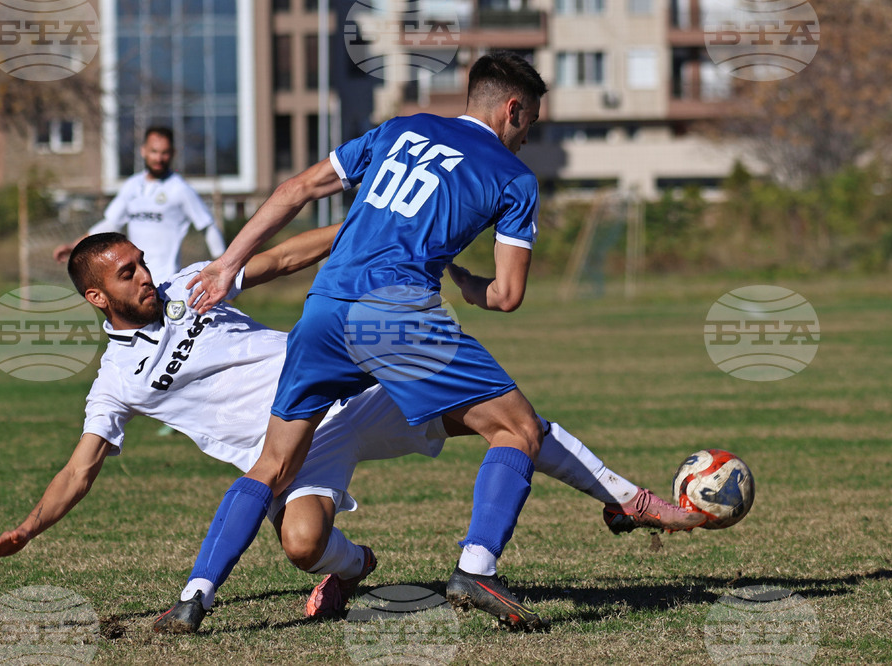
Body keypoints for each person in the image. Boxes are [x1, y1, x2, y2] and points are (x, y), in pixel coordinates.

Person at [180, 52, 700, 631]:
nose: (527, 138)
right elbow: (508, 294)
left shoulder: (399, 129)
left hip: (323, 309)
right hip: (395, 316)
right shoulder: (513, 177)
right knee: (517, 429)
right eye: (530, 123)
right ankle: (477, 568)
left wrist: (227, 264)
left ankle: (195, 596)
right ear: (512, 109)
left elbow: (297, 188)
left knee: (273, 465)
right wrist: (472, 287)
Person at [0, 231, 704, 634]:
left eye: (142, 263)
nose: (145, 276)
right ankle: (353, 568)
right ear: (97, 297)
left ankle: (628, 499)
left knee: (506, 420)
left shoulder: (194, 284)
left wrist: (365, 227)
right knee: (300, 547)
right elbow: (80, 470)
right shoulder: (115, 382)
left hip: (347, 390)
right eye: (128, 273)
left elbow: (281, 257)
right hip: (291, 452)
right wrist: (27, 530)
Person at [53, 126, 227, 285]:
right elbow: (110, 224)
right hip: (136, 280)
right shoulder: (132, 186)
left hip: (167, 281)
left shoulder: (180, 189)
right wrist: (75, 246)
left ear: (173, 153)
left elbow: (208, 226)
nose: (159, 158)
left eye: (165, 153)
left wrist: (224, 269)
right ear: (143, 151)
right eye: (154, 151)